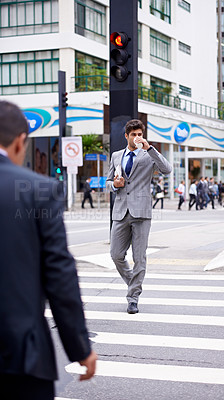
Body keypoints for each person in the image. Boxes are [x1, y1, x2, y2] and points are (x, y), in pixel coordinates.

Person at [0, 101, 97, 400]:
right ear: (20, 142)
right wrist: (79, 347)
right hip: (18, 354)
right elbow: (59, 274)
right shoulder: (38, 189)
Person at [106, 119, 172, 314]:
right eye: (133, 135)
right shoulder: (116, 156)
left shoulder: (148, 154)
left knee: (139, 258)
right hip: (120, 211)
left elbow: (167, 169)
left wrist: (150, 148)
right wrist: (114, 185)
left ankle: (133, 297)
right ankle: (133, 284)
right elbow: (108, 182)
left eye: (139, 134)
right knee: (116, 254)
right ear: (126, 136)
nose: (137, 138)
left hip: (141, 212)